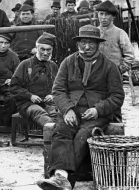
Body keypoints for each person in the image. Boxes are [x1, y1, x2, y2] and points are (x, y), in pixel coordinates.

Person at [37, 25, 125, 190]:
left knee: (83, 135)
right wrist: (67, 109)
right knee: (61, 130)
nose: (87, 47)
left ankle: (63, 180)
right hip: (72, 111)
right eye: (83, 42)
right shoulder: (68, 62)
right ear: (77, 44)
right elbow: (58, 90)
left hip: (97, 115)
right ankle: (60, 176)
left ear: (98, 45)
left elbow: (117, 96)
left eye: (91, 43)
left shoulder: (110, 66)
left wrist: (98, 109)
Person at [10, 32, 58, 128]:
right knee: (40, 113)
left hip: (47, 103)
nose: (45, 53)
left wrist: (52, 95)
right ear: (36, 49)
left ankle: (53, 139)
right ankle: (52, 134)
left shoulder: (53, 66)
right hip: (27, 104)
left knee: (57, 115)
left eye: (48, 50)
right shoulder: (25, 64)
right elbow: (13, 87)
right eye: (42, 49)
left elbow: (59, 86)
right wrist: (30, 96)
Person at [96, 0, 135, 75]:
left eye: (107, 14)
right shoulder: (93, 32)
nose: (103, 17)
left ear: (113, 17)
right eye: (101, 14)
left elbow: (130, 56)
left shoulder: (120, 33)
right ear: (98, 15)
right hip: (95, 75)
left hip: (113, 75)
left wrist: (119, 70)